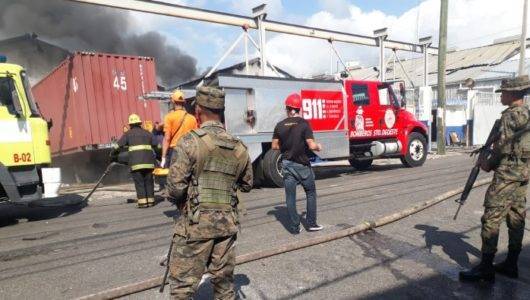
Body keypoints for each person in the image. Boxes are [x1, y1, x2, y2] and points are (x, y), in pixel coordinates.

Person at [166, 86, 253, 299]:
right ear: (221, 112)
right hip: (227, 225)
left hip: (196, 226)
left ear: (198, 112)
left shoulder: (189, 141)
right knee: (224, 287)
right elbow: (247, 184)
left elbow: (174, 188)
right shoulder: (239, 147)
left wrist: (184, 200)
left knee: (183, 289)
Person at [459, 75, 530, 283]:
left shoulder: (509, 117)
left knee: (491, 217)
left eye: (503, 93)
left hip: (507, 172)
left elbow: (502, 148)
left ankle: (486, 268)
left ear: (513, 94)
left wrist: (488, 164)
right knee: (516, 216)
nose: (501, 96)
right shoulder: (527, 114)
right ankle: (511, 264)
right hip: (523, 172)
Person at [272, 93, 323, 234]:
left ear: (287, 108)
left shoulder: (279, 125)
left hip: (287, 165)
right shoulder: (304, 123)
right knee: (311, 193)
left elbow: (274, 146)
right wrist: (318, 146)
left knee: (290, 197)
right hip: (302, 165)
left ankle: (295, 228)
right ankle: (311, 224)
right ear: (298, 108)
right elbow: (311, 145)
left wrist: (286, 146)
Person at [113, 114, 157, 208]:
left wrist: (113, 154)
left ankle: (143, 203)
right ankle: (151, 202)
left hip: (136, 165)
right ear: (139, 123)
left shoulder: (128, 134)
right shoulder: (147, 133)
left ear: (130, 124)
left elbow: (118, 146)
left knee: (139, 183)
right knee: (149, 182)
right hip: (149, 164)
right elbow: (158, 146)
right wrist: (161, 157)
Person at [161, 90, 198, 168]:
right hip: (189, 150)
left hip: (175, 150)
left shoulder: (169, 117)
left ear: (173, 102)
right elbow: (196, 138)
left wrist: (163, 157)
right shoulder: (192, 118)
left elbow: (167, 138)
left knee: (174, 176)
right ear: (184, 102)